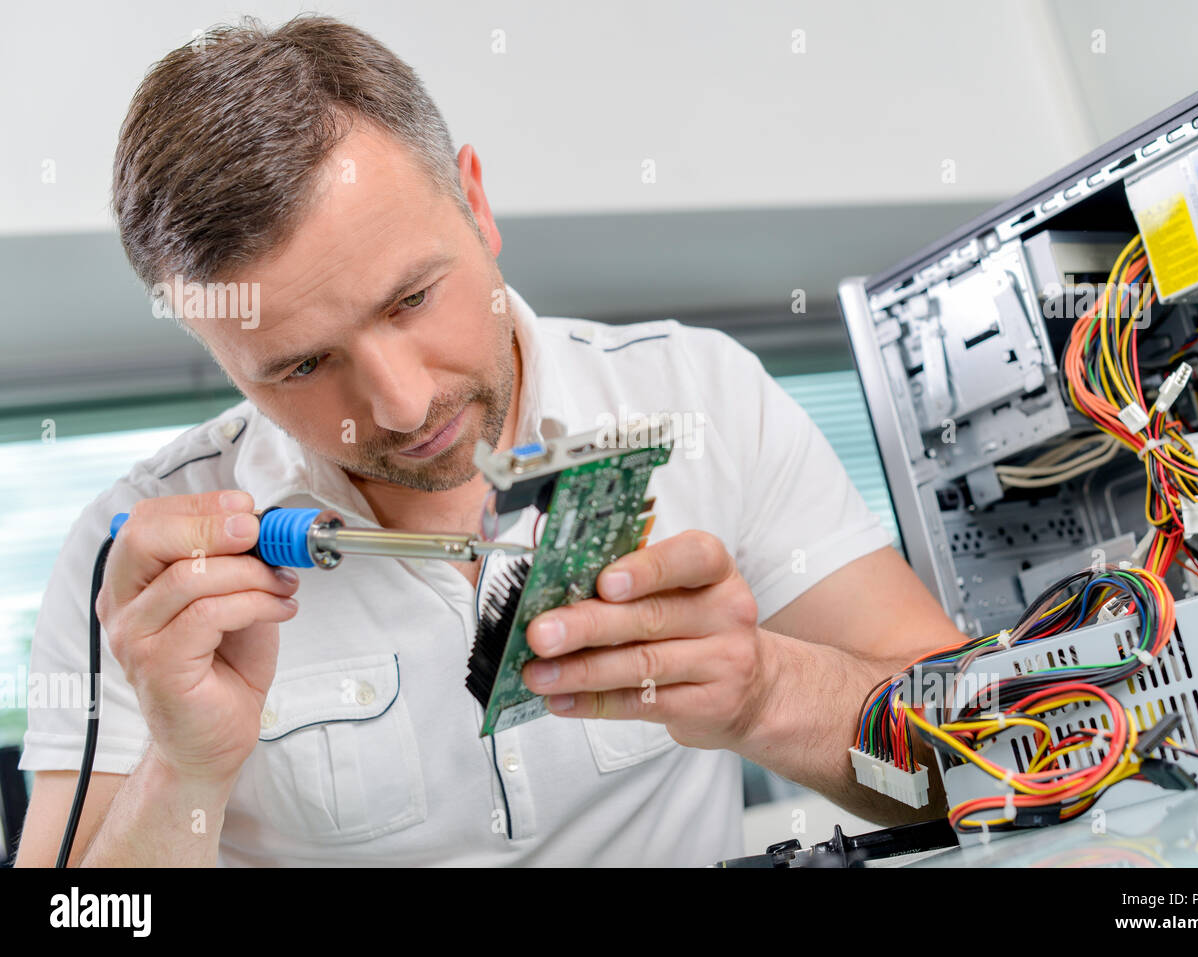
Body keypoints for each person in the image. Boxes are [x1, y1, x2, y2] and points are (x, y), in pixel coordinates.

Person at [16, 15, 962, 866]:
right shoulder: (138, 567)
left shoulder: (698, 392)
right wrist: (183, 772)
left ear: (476, 200)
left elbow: (984, 761)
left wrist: (765, 694)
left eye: (411, 299)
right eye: (301, 366)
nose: (400, 404)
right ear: (222, 356)